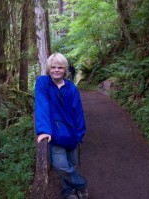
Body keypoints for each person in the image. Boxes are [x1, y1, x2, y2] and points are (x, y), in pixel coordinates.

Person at [34, 53, 88, 199]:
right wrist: (44, 130)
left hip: (71, 133)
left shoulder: (71, 88)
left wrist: (80, 133)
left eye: (60, 67)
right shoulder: (43, 83)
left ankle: (68, 192)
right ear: (48, 68)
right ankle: (81, 185)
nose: (56, 70)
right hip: (56, 134)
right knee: (61, 165)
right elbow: (42, 105)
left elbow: (78, 112)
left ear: (65, 70)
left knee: (72, 163)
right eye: (53, 67)